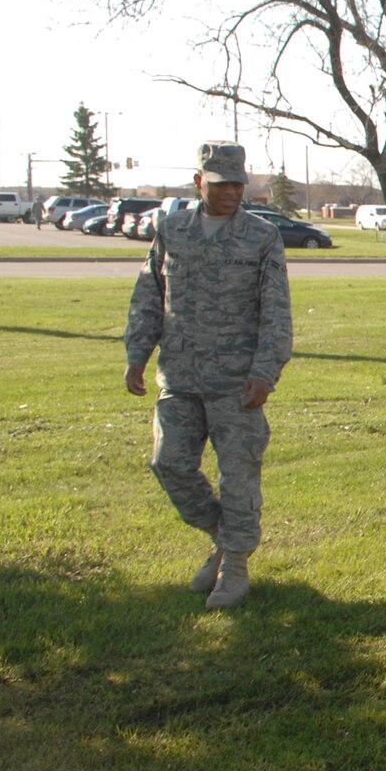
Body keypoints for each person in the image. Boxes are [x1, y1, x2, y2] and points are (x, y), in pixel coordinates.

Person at [123, 141, 293, 608]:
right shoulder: (172, 231)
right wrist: (137, 353)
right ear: (199, 182)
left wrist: (265, 371)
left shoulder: (260, 237)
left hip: (237, 383)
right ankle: (223, 537)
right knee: (170, 464)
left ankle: (235, 565)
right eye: (220, 184)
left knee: (239, 476)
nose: (231, 193)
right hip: (179, 377)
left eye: (238, 184)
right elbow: (149, 295)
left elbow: (276, 310)